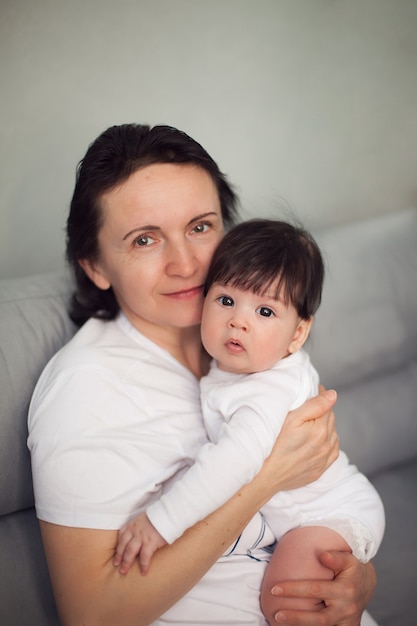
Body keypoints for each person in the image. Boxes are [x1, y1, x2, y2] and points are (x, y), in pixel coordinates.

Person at [27, 123, 377, 626]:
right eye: (145, 239)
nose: (186, 263)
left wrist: (356, 576)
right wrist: (268, 475)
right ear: (97, 267)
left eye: (199, 227)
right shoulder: (86, 390)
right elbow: (92, 614)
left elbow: (324, 498)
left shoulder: (245, 346)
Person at [113, 218, 385, 623]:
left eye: (264, 310)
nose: (239, 321)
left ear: (297, 335)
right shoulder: (234, 369)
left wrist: (161, 522)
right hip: (297, 519)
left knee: (285, 602)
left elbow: (233, 462)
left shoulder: (268, 389)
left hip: (328, 515)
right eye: (225, 301)